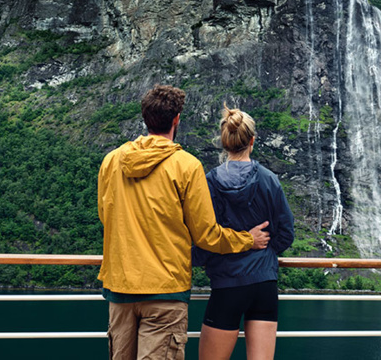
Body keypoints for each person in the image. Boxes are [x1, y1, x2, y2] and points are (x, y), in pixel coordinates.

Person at [98, 85, 271, 360]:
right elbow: (206, 236)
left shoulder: (111, 161)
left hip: (120, 289)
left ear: (145, 118)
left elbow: (105, 216)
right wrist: (248, 239)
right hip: (166, 292)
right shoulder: (186, 165)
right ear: (177, 119)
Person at [194, 105, 294, 360]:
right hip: (264, 284)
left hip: (227, 283)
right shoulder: (269, 179)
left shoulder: (210, 182)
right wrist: (261, 248)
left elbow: (203, 237)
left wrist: (206, 260)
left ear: (224, 142)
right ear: (252, 140)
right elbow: (286, 233)